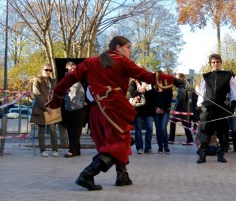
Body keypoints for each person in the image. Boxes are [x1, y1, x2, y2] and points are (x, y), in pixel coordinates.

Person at [47, 36, 180, 190]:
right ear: (118, 47)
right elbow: (146, 76)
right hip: (113, 108)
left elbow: (68, 80)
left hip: (96, 111)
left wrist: (55, 100)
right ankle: (87, 174)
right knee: (118, 143)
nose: (130, 51)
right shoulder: (122, 61)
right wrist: (173, 80)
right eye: (128, 47)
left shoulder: (90, 62)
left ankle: (122, 175)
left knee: (120, 141)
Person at [196, 53, 236, 164]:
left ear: (221, 63)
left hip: (222, 108)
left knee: (223, 133)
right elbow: (202, 92)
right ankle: (202, 155)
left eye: (218, 62)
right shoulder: (206, 76)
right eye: (213, 62)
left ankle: (221, 155)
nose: (216, 64)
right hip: (208, 109)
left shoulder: (228, 76)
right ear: (210, 64)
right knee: (206, 132)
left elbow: (234, 93)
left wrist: (232, 106)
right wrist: (200, 107)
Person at [30, 63, 59, 157]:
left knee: (52, 130)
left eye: (50, 70)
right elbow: (37, 95)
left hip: (52, 108)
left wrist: (53, 106)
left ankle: (55, 150)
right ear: (42, 70)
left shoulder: (53, 81)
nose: (48, 72)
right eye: (46, 70)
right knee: (41, 130)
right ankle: (43, 150)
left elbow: (56, 94)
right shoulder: (37, 80)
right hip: (41, 108)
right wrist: (45, 107)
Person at [61, 61, 88, 158]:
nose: (72, 70)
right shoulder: (64, 80)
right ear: (67, 70)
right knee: (69, 129)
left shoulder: (83, 78)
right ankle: (76, 150)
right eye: (70, 69)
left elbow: (90, 88)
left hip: (80, 108)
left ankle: (72, 150)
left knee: (76, 130)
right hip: (68, 108)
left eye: (74, 69)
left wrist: (87, 100)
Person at [128, 77, 156, 154]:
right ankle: (139, 148)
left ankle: (148, 147)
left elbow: (153, 95)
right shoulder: (133, 82)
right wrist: (140, 90)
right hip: (138, 110)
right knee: (138, 129)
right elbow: (132, 94)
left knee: (149, 129)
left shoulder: (149, 82)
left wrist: (145, 90)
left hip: (148, 110)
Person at [169, 73, 194, 145]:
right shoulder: (185, 85)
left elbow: (180, 99)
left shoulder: (182, 86)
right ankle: (190, 140)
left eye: (177, 78)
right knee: (185, 124)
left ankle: (171, 139)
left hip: (180, 109)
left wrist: (176, 109)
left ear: (180, 78)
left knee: (173, 122)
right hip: (185, 109)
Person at [154, 70, 173, 154]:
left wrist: (163, 109)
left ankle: (166, 146)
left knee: (163, 128)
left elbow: (169, 100)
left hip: (165, 110)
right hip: (156, 111)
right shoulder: (153, 88)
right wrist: (156, 108)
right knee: (158, 129)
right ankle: (160, 147)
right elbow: (151, 100)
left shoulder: (168, 88)